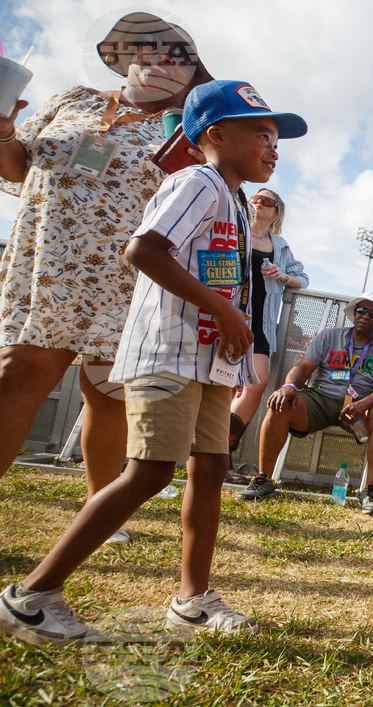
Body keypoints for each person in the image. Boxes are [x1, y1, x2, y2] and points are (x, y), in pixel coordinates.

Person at [0, 80, 307, 644]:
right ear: (215, 134)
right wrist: (223, 308)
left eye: (276, 138)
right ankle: (32, 597)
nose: (274, 147)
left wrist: (232, 321)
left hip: (210, 360)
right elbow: (142, 249)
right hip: (168, 353)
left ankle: (192, 601)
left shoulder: (235, 199)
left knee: (211, 468)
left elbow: (216, 270)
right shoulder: (196, 182)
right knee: (149, 471)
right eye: (261, 134)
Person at [0, 12, 212, 545]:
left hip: (126, 279)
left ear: (192, 75)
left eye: (175, 55)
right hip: (47, 269)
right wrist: (3, 129)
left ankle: (99, 512)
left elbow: (197, 203)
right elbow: (15, 166)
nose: (157, 59)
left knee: (109, 396)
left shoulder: (189, 129)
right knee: (17, 374)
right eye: (147, 49)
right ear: (125, 58)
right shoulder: (74, 100)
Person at [238, 292, 373, 513]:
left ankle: (370, 492)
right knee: (280, 403)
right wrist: (289, 387)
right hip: (320, 399)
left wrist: (363, 404)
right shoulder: (329, 336)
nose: (366, 316)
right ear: (354, 313)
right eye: (362, 310)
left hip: (361, 407)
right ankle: (263, 479)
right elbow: (303, 368)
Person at [227, 188, 308, 482]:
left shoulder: (280, 246)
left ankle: (222, 454)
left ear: (277, 213)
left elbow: (303, 278)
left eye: (268, 201)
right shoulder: (232, 227)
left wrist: (283, 277)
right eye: (256, 198)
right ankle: (207, 457)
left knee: (256, 384)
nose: (259, 202)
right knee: (220, 385)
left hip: (259, 322)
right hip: (222, 315)